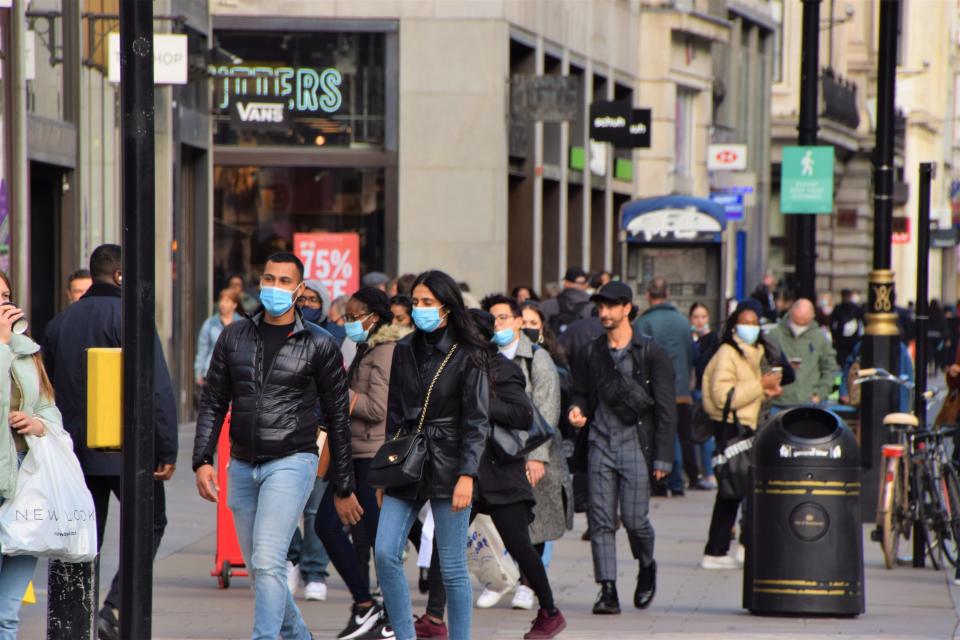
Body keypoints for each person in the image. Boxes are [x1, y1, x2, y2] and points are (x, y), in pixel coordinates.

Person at [193, 252, 362, 640]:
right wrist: (202, 459)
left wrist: (343, 484)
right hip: (241, 464)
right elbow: (214, 400)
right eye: (269, 279)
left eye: (285, 281)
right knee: (261, 568)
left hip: (292, 459)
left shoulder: (320, 344)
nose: (275, 287)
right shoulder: (234, 335)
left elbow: (338, 416)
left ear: (300, 289)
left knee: (269, 561)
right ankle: (299, 636)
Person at [42, 244, 178, 640]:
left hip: (73, 453)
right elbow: (157, 389)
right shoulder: (131, 318)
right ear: (120, 275)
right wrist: (166, 447)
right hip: (128, 451)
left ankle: (75, 620)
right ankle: (115, 607)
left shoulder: (60, 323)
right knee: (150, 523)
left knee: (85, 533)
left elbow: (45, 391)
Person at [419, 309, 566, 640]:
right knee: (447, 542)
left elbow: (522, 414)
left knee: (520, 546)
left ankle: (550, 612)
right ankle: (433, 618)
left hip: (501, 475)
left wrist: (478, 401)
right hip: (467, 474)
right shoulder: (454, 369)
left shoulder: (504, 369)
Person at [374, 270, 490, 640]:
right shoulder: (405, 348)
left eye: (427, 302)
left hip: (451, 459)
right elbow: (394, 413)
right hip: (407, 458)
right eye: (416, 302)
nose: (419, 309)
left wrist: (468, 475)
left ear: (447, 306)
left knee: (453, 566)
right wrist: (384, 471)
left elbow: (477, 420)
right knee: (385, 551)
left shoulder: (468, 353)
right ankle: (405, 635)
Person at [567, 281, 677, 615]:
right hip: (600, 443)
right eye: (600, 307)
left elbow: (666, 409)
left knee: (635, 520)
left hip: (636, 446)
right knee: (601, 521)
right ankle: (608, 589)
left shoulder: (651, 351)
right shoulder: (590, 351)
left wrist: (663, 457)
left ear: (627, 308)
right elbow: (581, 390)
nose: (604, 313)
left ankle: (646, 563)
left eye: (612, 306)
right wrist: (576, 409)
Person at [313, 287, 411, 640]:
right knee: (330, 525)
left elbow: (377, 410)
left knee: (376, 540)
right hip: (352, 453)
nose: (349, 323)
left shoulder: (384, 353)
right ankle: (367, 605)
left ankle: (384, 614)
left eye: (355, 317)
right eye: (347, 317)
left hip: (372, 456)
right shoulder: (366, 348)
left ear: (374, 316)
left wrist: (341, 390)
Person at [473, 295, 571, 613]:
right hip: (490, 457)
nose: (498, 324)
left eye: (504, 318)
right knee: (502, 528)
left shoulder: (535, 358)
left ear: (517, 321)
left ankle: (529, 588)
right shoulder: (485, 358)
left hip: (525, 452)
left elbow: (545, 408)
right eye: (494, 319)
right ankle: (499, 579)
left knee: (531, 525)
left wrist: (537, 456)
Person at [0, 273, 70, 637]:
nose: (4, 304)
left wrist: (38, 424)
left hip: (25, 482)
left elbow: (48, 408)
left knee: (8, 611)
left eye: (6, 295)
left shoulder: (27, 352)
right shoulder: (10, 348)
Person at [700, 301, 782, 569]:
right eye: (745, 322)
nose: (750, 327)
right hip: (733, 429)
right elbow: (724, 395)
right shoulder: (728, 353)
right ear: (734, 324)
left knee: (740, 489)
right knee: (731, 488)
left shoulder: (754, 351)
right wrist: (759, 385)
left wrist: (766, 388)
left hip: (749, 426)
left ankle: (738, 547)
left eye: (755, 322)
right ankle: (717, 550)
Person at [635, 277, 697, 496]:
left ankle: (666, 481)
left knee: (662, 434)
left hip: (655, 388)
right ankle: (678, 483)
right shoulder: (682, 321)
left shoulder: (644, 322)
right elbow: (691, 354)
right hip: (680, 389)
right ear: (667, 294)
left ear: (649, 296)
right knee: (677, 434)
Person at [766, 299, 838, 410]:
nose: (799, 327)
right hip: (778, 403)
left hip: (810, 403)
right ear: (790, 314)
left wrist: (819, 394)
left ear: (812, 317)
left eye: (804, 323)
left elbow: (830, 368)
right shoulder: (774, 335)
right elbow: (764, 366)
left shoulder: (819, 337)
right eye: (796, 322)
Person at [689, 302, 718, 490]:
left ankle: (709, 473)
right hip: (688, 390)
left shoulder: (712, 339)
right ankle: (696, 472)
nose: (699, 321)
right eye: (696, 317)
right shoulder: (688, 339)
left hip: (705, 390)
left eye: (703, 317)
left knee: (705, 435)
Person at [194, 288, 242, 388]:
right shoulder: (210, 323)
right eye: (221, 301)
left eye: (227, 301)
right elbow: (203, 349)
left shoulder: (242, 324)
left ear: (234, 305)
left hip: (235, 374)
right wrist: (198, 372)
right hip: (213, 372)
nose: (222, 304)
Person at [540, 267, 592, 334]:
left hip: (554, 343)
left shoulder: (547, 305)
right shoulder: (594, 306)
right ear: (586, 284)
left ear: (565, 283)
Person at [299, 279, 347, 346]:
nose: (306, 303)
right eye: (301, 299)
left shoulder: (332, 331)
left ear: (323, 304)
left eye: (313, 300)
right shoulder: (289, 324)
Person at [829, 289, 864, 369]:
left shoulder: (856, 308)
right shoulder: (838, 308)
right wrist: (834, 335)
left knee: (853, 358)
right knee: (843, 360)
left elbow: (861, 322)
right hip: (842, 340)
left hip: (853, 339)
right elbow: (832, 323)